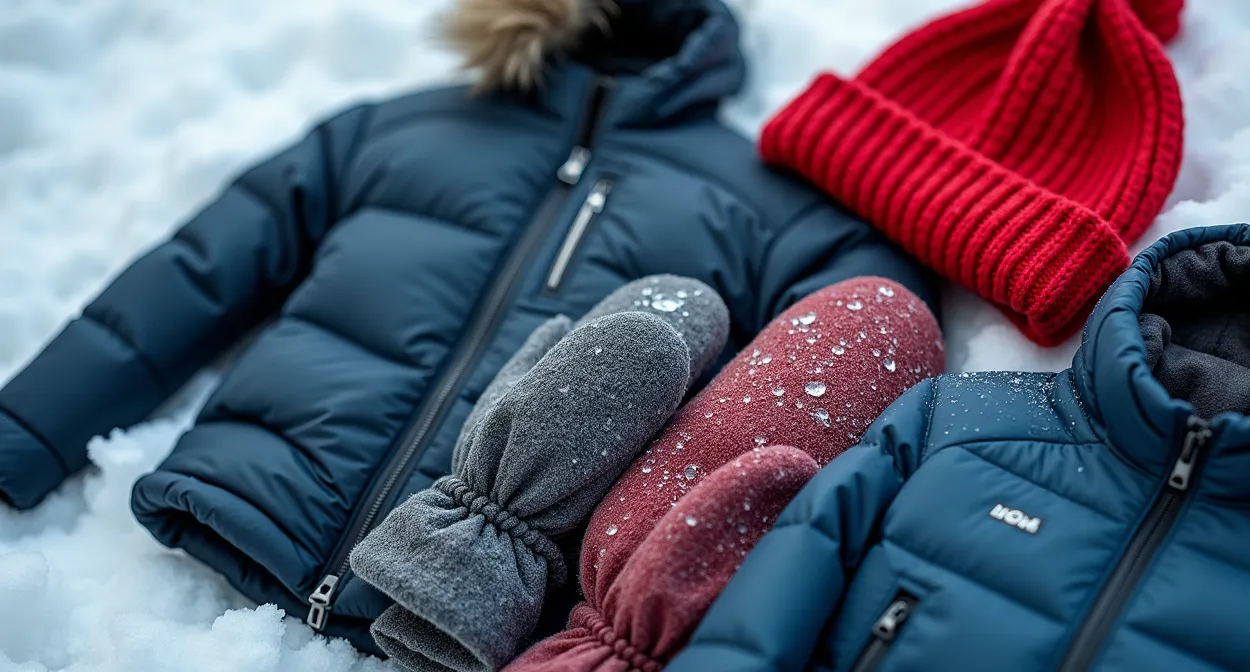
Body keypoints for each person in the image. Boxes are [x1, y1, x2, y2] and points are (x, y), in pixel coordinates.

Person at [0, 0, 934, 655]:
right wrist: (25, 434)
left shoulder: (763, 203)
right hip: (247, 510)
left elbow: (862, 335)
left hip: (480, 600)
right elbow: (195, 272)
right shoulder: (404, 129)